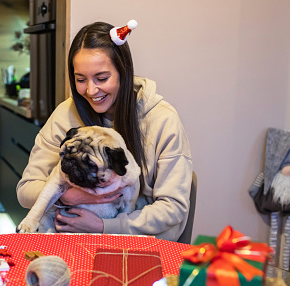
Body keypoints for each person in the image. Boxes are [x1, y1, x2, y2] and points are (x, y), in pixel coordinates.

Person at [16, 20, 193, 241]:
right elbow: (25, 190)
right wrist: (69, 197)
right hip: (71, 237)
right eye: (80, 79)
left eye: (101, 78)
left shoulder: (162, 120)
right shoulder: (65, 115)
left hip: (140, 243)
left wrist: (104, 225)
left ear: (123, 71)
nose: (90, 90)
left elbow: (173, 208)